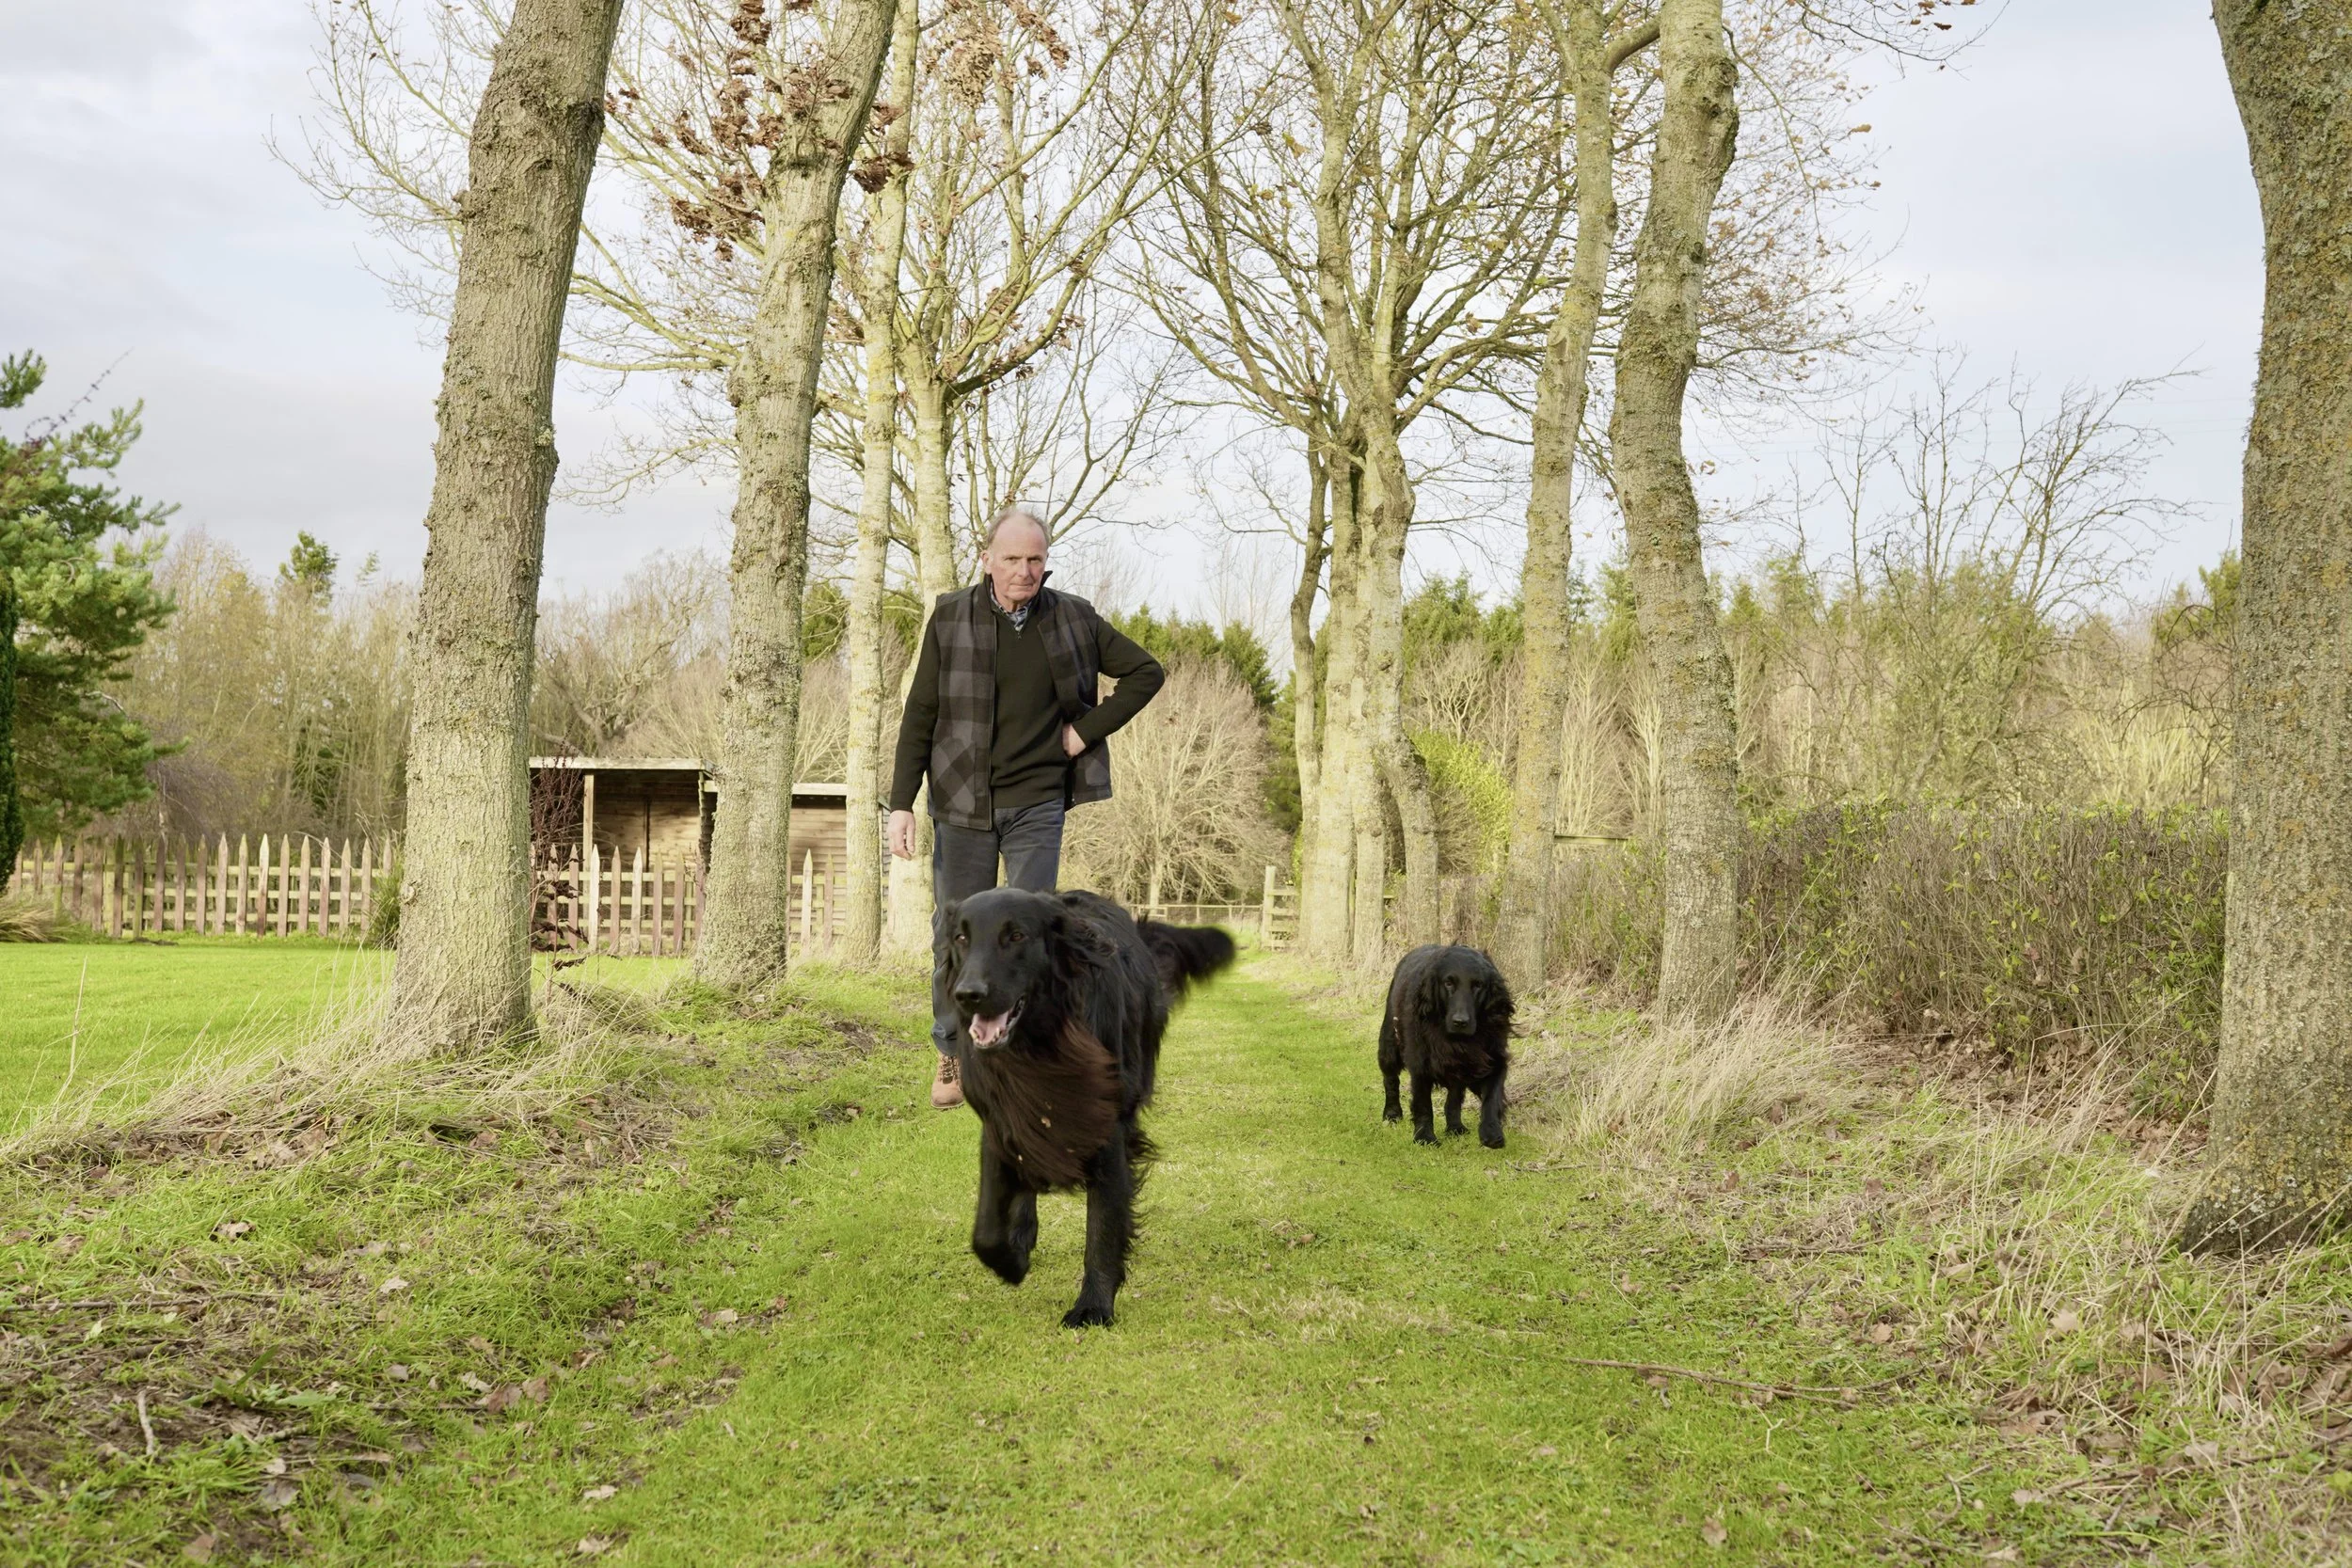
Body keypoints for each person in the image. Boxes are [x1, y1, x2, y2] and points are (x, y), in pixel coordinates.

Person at [888, 506, 1166, 1109]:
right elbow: (920, 714)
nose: (1023, 571)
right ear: (986, 560)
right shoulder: (950, 616)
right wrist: (900, 803)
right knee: (953, 933)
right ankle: (953, 1051)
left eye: (1034, 559)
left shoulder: (1074, 619)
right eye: (1011, 559)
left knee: (1030, 934)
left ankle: (1025, 1053)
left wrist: (1085, 732)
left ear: (1046, 561)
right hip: (961, 803)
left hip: (1038, 801)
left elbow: (1147, 672)